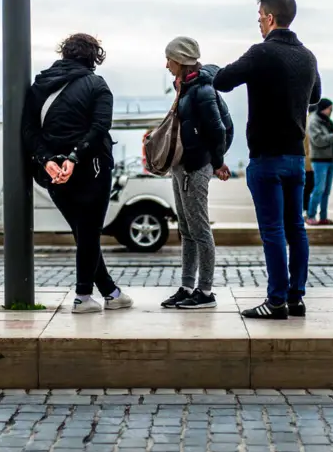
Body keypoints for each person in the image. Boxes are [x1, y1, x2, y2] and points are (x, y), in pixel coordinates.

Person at [214, 0, 320, 320]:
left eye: (260, 16)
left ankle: (275, 301)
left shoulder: (261, 53)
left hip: (265, 157)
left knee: (272, 230)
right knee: (295, 230)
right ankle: (295, 298)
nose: (258, 21)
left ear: (270, 18)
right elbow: (315, 96)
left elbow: (222, 80)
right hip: (294, 158)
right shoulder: (307, 56)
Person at [22, 33, 133, 314]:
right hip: (91, 170)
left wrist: (48, 161)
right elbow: (99, 128)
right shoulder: (97, 85)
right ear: (93, 57)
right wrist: (74, 159)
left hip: (53, 174)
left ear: (65, 53)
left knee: (83, 233)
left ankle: (110, 291)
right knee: (89, 232)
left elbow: (29, 131)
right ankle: (83, 296)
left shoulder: (40, 85)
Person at [160, 36, 233, 311]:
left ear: (180, 60)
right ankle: (187, 286)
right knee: (186, 230)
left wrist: (217, 162)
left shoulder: (202, 90)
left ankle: (205, 291)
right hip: (181, 165)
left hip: (196, 167)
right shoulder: (184, 86)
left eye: (169, 59)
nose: (166, 65)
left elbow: (218, 130)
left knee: (200, 230)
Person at [307, 99, 333, 225]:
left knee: (326, 191)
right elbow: (318, 141)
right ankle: (310, 216)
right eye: (330, 109)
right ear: (323, 108)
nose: (331, 112)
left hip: (330, 159)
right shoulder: (314, 121)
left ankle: (323, 217)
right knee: (319, 189)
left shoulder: (328, 121)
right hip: (319, 160)